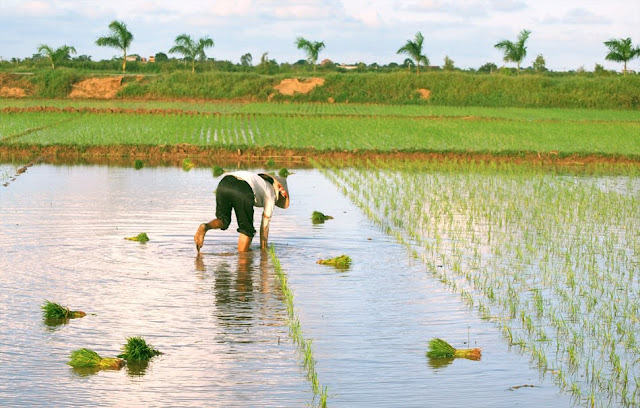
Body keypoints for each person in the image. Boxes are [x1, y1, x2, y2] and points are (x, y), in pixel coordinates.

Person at [194, 171, 290, 252]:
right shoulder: (271, 194)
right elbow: (265, 226)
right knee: (247, 230)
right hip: (243, 187)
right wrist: (263, 249)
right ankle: (242, 260)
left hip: (224, 182)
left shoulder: (259, 181)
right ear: (281, 190)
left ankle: (206, 226)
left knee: (223, 220)